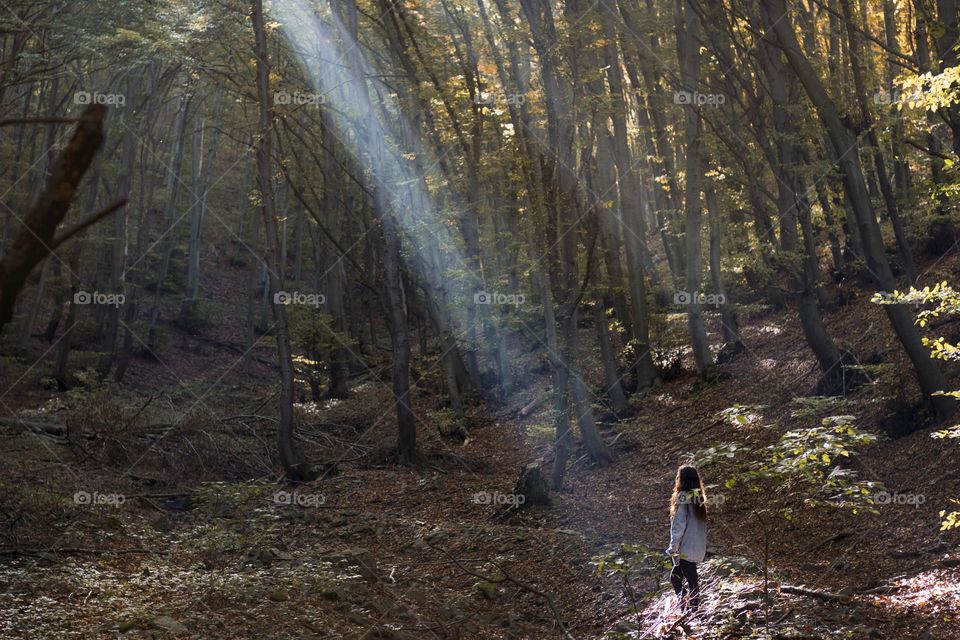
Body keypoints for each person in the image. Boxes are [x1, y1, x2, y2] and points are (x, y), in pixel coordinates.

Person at [666, 464, 707, 613]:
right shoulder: (699, 500)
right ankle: (689, 608)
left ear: (681, 480)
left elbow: (678, 526)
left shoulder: (682, 498)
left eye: (678, 477)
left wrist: (673, 548)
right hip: (697, 547)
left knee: (680, 579)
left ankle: (689, 610)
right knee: (687, 578)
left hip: (685, 548)